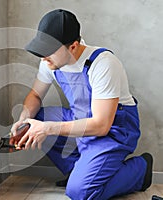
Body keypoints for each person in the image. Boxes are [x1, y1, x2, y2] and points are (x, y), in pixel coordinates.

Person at [10, 9, 153, 200]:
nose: (43, 57)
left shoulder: (103, 64)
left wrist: (47, 129)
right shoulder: (49, 61)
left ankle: (140, 171)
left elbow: (102, 125)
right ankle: (79, 171)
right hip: (80, 120)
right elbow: (35, 95)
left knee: (80, 193)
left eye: (49, 50)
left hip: (113, 131)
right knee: (34, 119)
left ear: (73, 47)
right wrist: (23, 120)